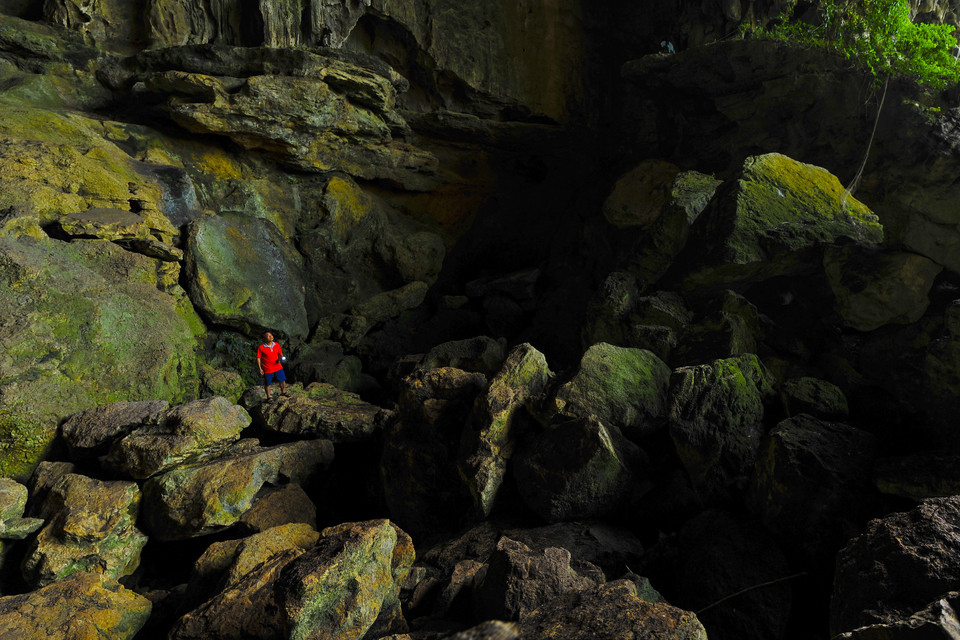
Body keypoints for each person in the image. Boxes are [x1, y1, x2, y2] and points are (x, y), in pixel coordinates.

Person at [256, 331, 287, 400]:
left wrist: (281, 358)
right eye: (268, 336)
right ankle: (269, 397)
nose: (271, 336)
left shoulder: (276, 344)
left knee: (282, 380)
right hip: (268, 368)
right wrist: (260, 368)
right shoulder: (261, 347)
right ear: (264, 339)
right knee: (268, 383)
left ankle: (283, 392)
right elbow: (258, 357)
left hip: (278, 366)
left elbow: (280, 353)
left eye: (271, 335)